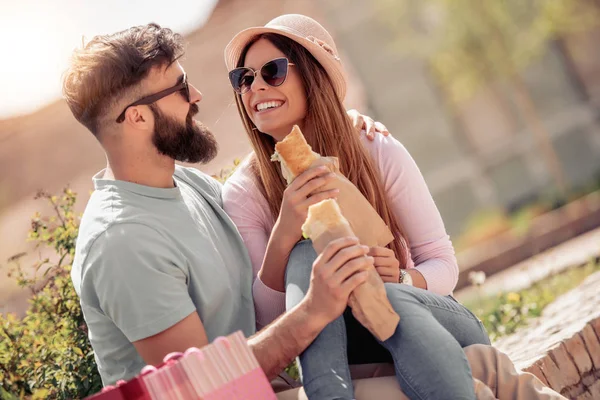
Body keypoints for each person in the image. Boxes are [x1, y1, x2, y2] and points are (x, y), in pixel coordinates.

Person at [63, 21, 565, 400]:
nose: (199, 96)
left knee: (485, 364)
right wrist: (314, 306)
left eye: (273, 72)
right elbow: (207, 389)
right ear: (136, 117)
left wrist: (345, 127)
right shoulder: (123, 243)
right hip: (255, 392)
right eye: (179, 88)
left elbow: (272, 184)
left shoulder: (185, 185)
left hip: (294, 370)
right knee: (473, 377)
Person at [221, 13, 496, 400]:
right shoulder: (246, 192)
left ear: (313, 76)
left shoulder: (374, 149)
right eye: (244, 79)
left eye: (273, 71)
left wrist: (402, 278)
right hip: (346, 349)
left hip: (433, 322)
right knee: (304, 257)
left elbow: (442, 263)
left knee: (390, 295)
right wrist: (285, 230)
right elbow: (270, 322)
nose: (257, 87)